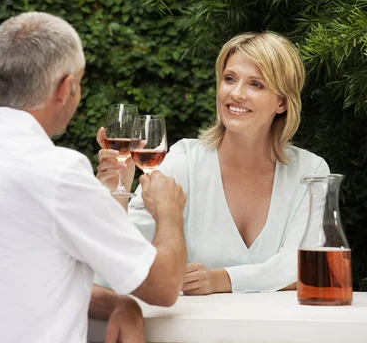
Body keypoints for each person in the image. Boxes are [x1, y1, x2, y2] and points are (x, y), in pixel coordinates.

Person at [0, 12, 187, 343]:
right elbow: (163, 286)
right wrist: (170, 211)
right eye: (80, 83)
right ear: (66, 87)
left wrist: (116, 302)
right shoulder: (59, 174)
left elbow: (15, 275)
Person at [97, 31, 330, 294]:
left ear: (282, 103)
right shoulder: (183, 161)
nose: (237, 93)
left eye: (256, 84)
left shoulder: (311, 171)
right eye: (230, 79)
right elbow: (123, 261)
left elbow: (305, 265)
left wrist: (222, 279)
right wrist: (117, 190)